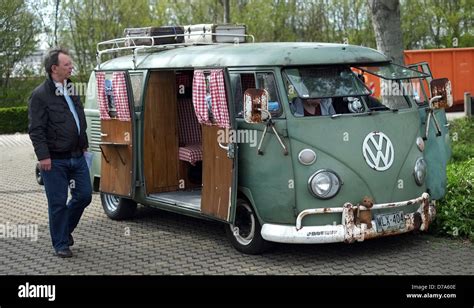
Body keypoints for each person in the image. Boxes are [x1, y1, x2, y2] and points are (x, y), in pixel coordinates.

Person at [28, 47, 92, 258]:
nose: (71, 66)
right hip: (54, 160)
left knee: (84, 196)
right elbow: (36, 129)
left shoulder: (71, 88)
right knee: (57, 203)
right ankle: (60, 244)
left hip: (77, 155)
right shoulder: (39, 95)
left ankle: (64, 230)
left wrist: (84, 142)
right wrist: (43, 156)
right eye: (67, 64)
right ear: (54, 68)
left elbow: (78, 118)